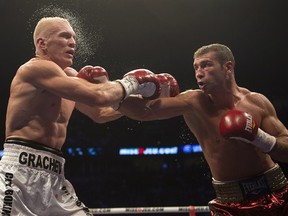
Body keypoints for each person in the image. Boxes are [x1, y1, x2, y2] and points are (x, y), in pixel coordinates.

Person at [0, 16, 161, 215]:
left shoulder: (69, 76)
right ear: (42, 43)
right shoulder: (35, 68)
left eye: (74, 38)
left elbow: (100, 113)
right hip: (17, 174)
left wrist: (139, 99)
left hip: (54, 174)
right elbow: (99, 96)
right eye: (65, 36)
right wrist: (132, 82)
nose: (73, 42)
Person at [118, 43, 288, 215]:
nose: (199, 73)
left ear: (227, 67)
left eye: (206, 65)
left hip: (278, 194)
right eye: (196, 67)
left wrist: (258, 136)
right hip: (230, 204)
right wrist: (119, 90)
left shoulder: (257, 102)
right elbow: (144, 111)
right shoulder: (193, 102)